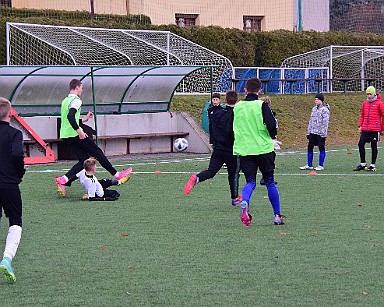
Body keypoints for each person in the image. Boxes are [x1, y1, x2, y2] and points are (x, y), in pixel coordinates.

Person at [55, 79, 132, 197]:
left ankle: (64, 180)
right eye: (81, 88)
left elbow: (67, 118)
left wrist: (83, 120)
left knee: (83, 160)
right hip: (74, 134)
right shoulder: (76, 100)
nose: (82, 90)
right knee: (97, 151)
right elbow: (70, 117)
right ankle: (117, 175)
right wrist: (79, 131)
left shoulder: (65, 101)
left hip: (66, 135)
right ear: (77, 87)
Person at [233, 78, 284, 227]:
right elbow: (271, 125)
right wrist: (272, 135)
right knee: (269, 181)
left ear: (245, 90)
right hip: (263, 149)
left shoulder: (238, 107)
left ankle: (245, 201)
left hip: (245, 150)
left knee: (250, 182)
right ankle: (277, 215)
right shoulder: (262, 105)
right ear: (260, 90)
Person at [184, 90, 242, 206]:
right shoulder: (237, 115)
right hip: (232, 150)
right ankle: (234, 198)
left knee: (211, 171)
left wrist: (215, 143)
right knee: (233, 175)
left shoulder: (217, 113)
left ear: (225, 101)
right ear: (237, 101)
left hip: (218, 149)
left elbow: (212, 129)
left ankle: (197, 178)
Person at [0, 97, 25, 283]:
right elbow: (17, 154)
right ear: (10, 112)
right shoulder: (15, 134)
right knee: (15, 221)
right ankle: (7, 259)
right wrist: (20, 173)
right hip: (9, 183)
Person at [353, 86, 384, 171]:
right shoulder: (365, 103)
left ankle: (373, 165)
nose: (368, 96)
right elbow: (362, 115)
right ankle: (363, 163)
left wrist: (382, 128)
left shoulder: (379, 103)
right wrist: (360, 125)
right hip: (365, 129)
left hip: (375, 129)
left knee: (373, 146)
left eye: (370, 94)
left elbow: (383, 115)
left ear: (374, 94)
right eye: (367, 94)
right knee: (360, 144)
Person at [300, 93, 330, 171]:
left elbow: (325, 122)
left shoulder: (325, 110)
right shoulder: (314, 109)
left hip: (320, 133)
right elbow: (311, 121)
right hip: (313, 131)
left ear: (321, 100)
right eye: (315, 99)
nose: (316, 101)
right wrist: (308, 132)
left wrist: (323, 133)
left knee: (321, 147)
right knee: (310, 147)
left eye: (318, 99)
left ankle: (321, 165)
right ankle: (309, 164)